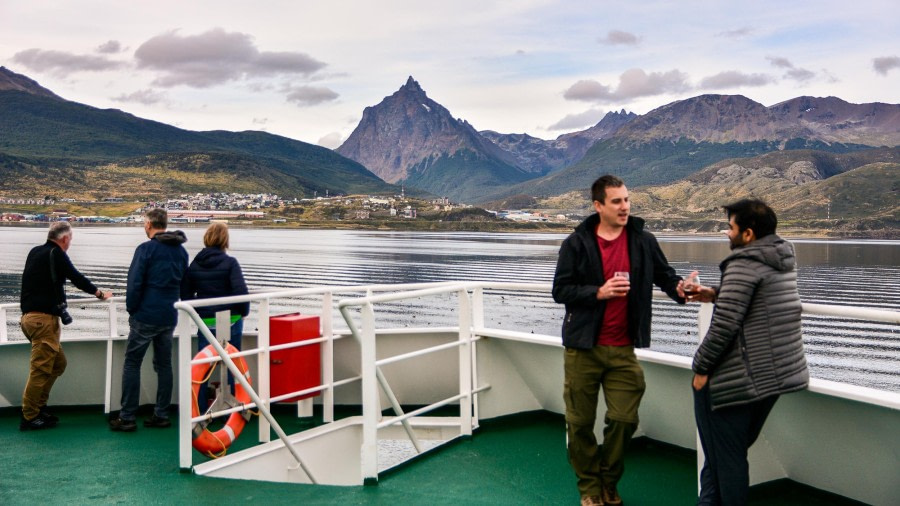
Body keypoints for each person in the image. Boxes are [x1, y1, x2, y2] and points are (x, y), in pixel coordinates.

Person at [552, 175, 686, 506]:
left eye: (627, 200)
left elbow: (665, 277)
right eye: (617, 201)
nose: (625, 207)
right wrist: (598, 292)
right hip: (583, 348)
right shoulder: (576, 243)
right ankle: (589, 489)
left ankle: (609, 480)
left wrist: (682, 289)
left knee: (625, 419)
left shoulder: (643, 240)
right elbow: (561, 290)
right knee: (580, 423)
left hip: (623, 349)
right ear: (598, 206)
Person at [685, 199, 808, 505]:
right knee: (724, 455)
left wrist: (700, 369)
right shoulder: (780, 257)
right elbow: (759, 299)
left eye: (731, 227)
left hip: (741, 380)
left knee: (726, 461)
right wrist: (714, 293)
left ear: (749, 234)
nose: (727, 233)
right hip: (776, 377)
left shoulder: (742, 263)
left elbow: (725, 325)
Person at [19, 222, 112, 431]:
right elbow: (76, 278)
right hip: (43, 321)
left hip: (30, 319)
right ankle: (30, 416)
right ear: (65, 239)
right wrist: (100, 294)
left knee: (57, 364)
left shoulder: (35, 252)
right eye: (70, 240)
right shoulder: (56, 253)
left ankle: (39, 408)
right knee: (40, 370)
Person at [109, 208, 188, 432]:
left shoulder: (145, 249)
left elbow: (134, 282)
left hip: (145, 314)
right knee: (164, 365)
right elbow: (184, 283)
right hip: (169, 314)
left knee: (132, 363)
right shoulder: (181, 252)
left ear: (149, 224)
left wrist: (132, 309)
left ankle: (127, 417)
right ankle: (161, 414)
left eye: (145, 223)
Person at [181, 222, 250, 412]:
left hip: (207, 323)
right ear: (225, 240)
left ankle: (201, 408)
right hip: (231, 320)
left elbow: (186, 296)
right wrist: (243, 312)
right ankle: (229, 409)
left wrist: (201, 313)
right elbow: (241, 292)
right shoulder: (230, 263)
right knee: (230, 363)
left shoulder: (195, 264)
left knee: (203, 365)